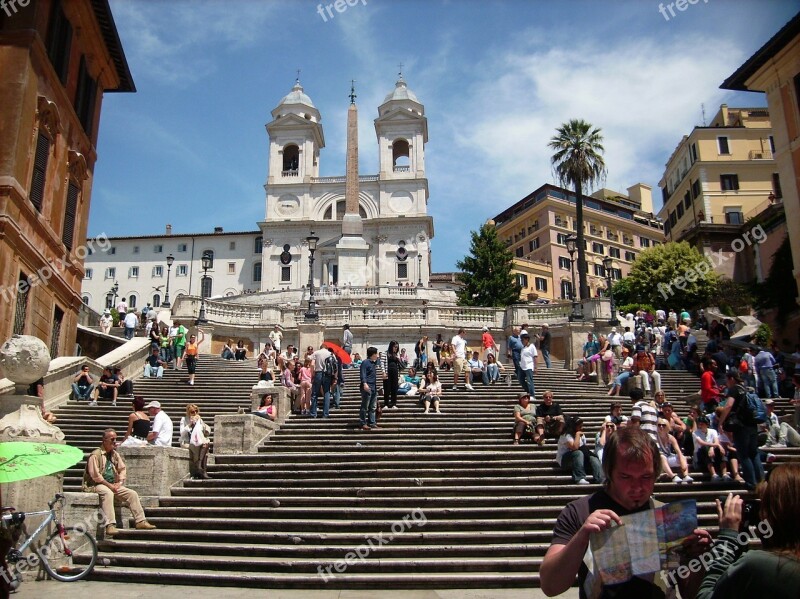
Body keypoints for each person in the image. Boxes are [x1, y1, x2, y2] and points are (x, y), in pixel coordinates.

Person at [540, 426, 712, 598]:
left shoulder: (669, 517)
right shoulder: (580, 511)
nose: (637, 487)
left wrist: (699, 558)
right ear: (609, 472)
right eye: (625, 477)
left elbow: (690, 593)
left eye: (646, 477)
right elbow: (550, 586)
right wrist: (582, 537)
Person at [697, 464, 800, 598]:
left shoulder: (759, 566)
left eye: (763, 505)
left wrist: (727, 538)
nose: (759, 514)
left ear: (777, 513)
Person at [82, 428, 156, 536]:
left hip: (112, 484)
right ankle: (110, 525)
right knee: (107, 493)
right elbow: (96, 476)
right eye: (112, 439)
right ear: (104, 440)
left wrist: (119, 483)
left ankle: (140, 521)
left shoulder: (114, 454)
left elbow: (122, 469)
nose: (114, 442)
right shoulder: (95, 455)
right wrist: (110, 486)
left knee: (132, 494)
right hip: (96, 485)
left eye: (115, 439)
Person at [719, 371, 764, 490]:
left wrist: (720, 422)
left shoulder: (734, 389)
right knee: (754, 453)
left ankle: (751, 483)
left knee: (743, 455)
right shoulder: (747, 389)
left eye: (727, 380)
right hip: (753, 425)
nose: (726, 383)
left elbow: (728, 405)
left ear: (732, 379)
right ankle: (761, 481)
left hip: (741, 426)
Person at [557, 417, 604, 485]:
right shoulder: (566, 435)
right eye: (580, 426)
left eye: (582, 426)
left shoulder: (582, 435)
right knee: (578, 453)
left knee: (593, 457)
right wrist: (577, 435)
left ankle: (599, 478)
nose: (582, 428)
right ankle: (580, 477)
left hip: (579, 460)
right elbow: (575, 447)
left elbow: (583, 448)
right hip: (565, 461)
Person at [655, 417, 693, 483]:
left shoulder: (671, 437)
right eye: (659, 425)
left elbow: (678, 450)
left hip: (668, 457)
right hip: (659, 460)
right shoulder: (654, 436)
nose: (661, 427)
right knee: (662, 457)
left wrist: (683, 462)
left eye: (663, 425)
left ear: (667, 427)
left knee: (682, 457)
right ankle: (673, 476)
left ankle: (685, 475)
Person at [693, 415, 730, 482]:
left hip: (713, 454)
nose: (700, 426)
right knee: (704, 448)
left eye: (702, 424)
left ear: (707, 424)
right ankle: (713, 475)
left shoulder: (713, 431)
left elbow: (716, 441)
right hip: (700, 455)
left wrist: (712, 448)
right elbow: (702, 443)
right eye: (699, 424)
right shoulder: (695, 433)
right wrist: (715, 446)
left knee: (720, 449)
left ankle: (724, 474)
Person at [180, 404, 210, 479]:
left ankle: (201, 468)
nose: (195, 413)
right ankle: (201, 469)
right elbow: (182, 433)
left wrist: (200, 423)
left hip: (198, 441)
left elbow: (203, 432)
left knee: (206, 444)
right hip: (187, 441)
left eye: (196, 411)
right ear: (188, 412)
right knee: (201, 447)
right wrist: (190, 424)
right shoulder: (184, 419)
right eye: (192, 412)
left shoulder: (199, 419)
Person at [311, 344, 334, 418]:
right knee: (327, 393)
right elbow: (334, 365)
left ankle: (313, 413)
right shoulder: (330, 354)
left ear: (320, 347)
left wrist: (312, 374)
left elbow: (312, 364)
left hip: (318, 373)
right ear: (326, 348)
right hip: (327, 374)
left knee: (315, 393)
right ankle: (325, 414)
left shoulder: (316, 353)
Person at [359, 346, 379, 429]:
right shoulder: (365, 362)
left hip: (373, 387)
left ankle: (372, 422)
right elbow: (363, 373)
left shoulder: (374, 363)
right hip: (367, 386)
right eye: (376, 353)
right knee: (365, 406)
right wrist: (364, 383)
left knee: (373, 406)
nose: (377, 355)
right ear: (373, 354)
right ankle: (363, 422)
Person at [384, 340, 401, 408]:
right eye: (395, 347)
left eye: (397, 347)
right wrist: (383, 372)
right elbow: (382, 363)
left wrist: (398, 358)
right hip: (387, 371)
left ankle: (394, 403)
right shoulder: (385, 353)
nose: (396, 348)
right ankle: (386, 404)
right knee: (387, 388)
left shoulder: (397, 355)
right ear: (391, 346)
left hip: (395, 372)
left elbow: (401, 364)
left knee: (394, 388)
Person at [519, 331, 538, 396]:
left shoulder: (532, 346)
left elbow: (535, 357)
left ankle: (532, 394)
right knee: (520, 379)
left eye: (522, 340)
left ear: (527, 339)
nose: (521, 341)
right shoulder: (523, 348)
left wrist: (535, 367)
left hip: (529, 366)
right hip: (522, 367)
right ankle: (528, 390)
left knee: (529, 381)